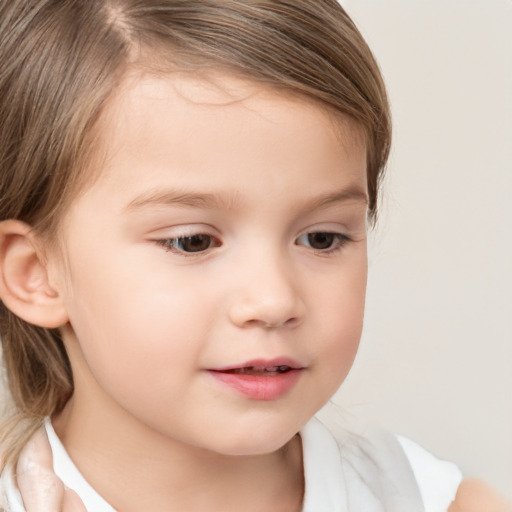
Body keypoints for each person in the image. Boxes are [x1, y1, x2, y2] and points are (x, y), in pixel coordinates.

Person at [0, 1, 509, 511]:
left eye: (321, 238)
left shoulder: (435, 501)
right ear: (35, 274)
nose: (273, 300)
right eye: (192, 241)